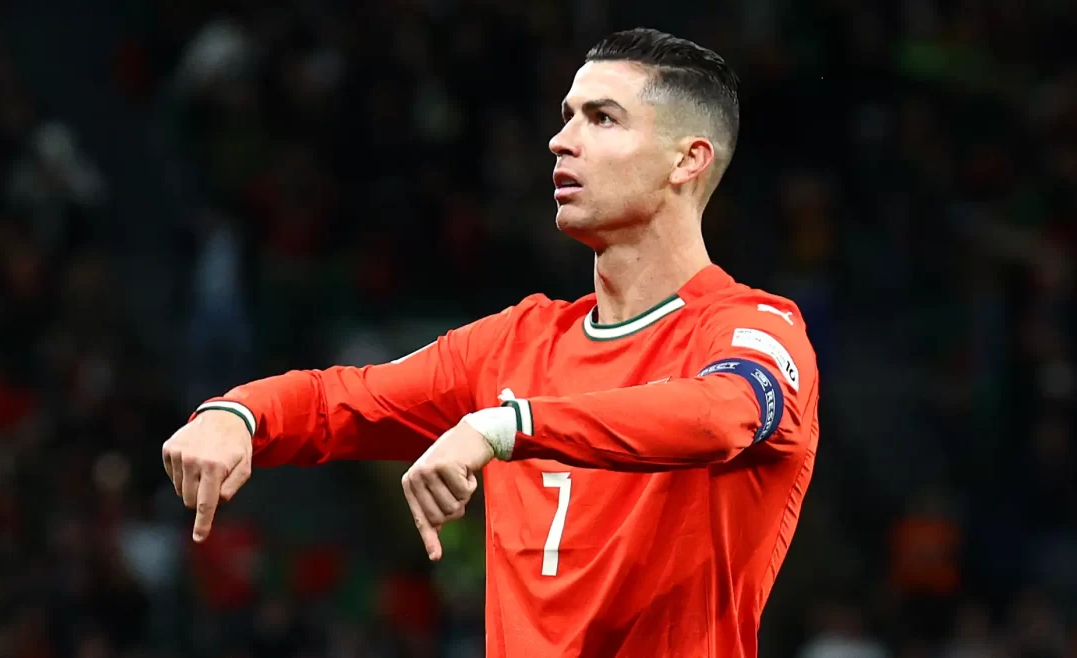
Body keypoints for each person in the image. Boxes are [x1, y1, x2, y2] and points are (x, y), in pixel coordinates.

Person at [162, 27, 820, 658]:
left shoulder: (756, 327)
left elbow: (721, 413)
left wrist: (508, 425)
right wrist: (238, 414)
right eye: (566, 117)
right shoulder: (515, 343)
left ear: (687, 160)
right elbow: (343, 400)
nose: (561, 141)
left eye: (602, 119)